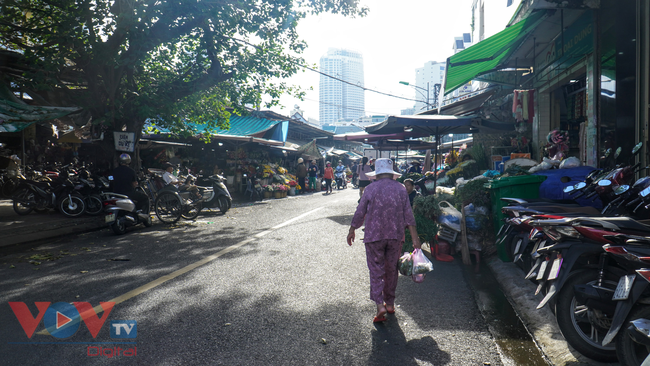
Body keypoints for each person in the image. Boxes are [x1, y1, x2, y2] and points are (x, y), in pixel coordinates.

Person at [347, 158, 421, 323]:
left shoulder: (370, 189)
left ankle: (380, 304)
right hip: (395, 236)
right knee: (391, 270)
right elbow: (408, 214)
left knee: (376, 270)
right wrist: (415, 238)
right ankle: (390, 304)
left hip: (374, 236)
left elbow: (360, 212)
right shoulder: (401, 189)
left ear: (377, 173)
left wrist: (352, 229)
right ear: (392, 173)